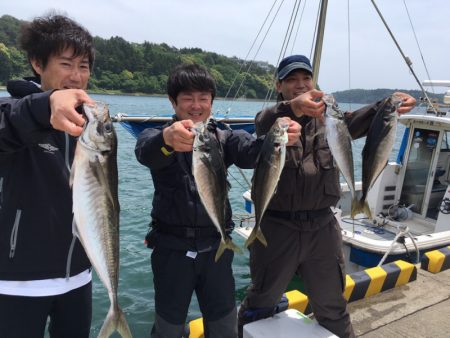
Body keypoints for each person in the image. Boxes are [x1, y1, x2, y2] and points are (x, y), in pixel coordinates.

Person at [237, 54, 417, 338]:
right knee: (261, 300)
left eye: (305, 78)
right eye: (291, 80)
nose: (300, 84)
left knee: (333, 304)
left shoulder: (333, 122)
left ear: (314, 82)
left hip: (323, 228)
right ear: (279, 86)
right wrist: (290, 108)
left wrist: (391, 101)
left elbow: (368, 118)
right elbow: (263, 121)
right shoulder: (272, 123)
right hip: (277, 227)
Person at [134, 63, 300, 338]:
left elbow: (251, 152)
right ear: (172, 102)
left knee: (224, 325)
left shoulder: (223, 137)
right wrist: (167, 139)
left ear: (212, 101)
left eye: (203, 98)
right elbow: (146, 153)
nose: (196, 106)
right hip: (171, 250)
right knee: (168, 328)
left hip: (216, 247)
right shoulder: (160, 136)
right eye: (187, 98)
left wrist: (278, 133)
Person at [0, 14, 96, 337]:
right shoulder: (15, 110)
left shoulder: (88, 126)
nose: (76, 76)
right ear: (37, 63)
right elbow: (8, 123)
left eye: (83, 66)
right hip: (18, 284)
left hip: (79, 278)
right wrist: (46, 106)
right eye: (66, 64)